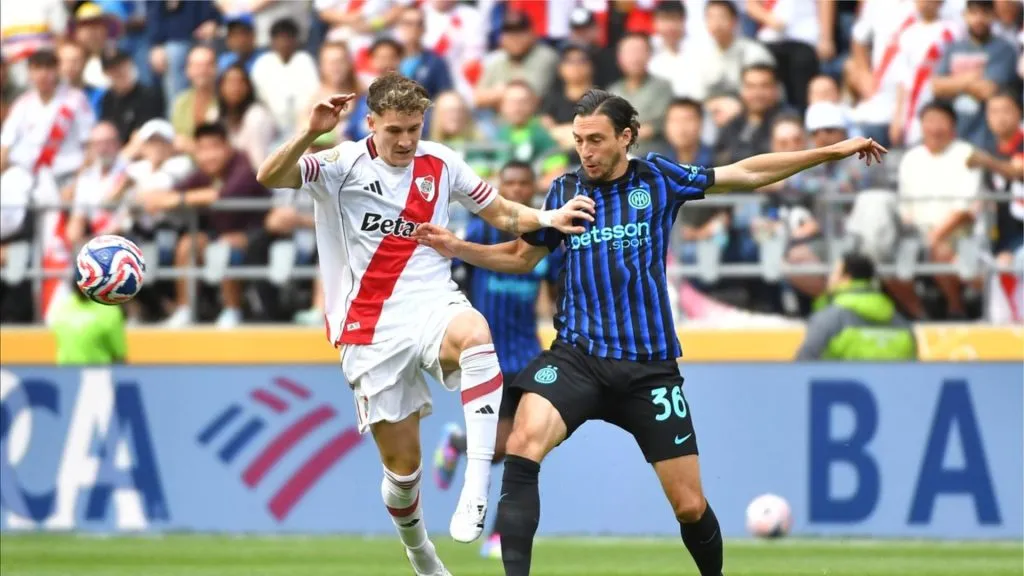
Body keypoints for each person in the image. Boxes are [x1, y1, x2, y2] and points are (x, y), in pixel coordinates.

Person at [413, 89, 886, 576]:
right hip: (577, 357)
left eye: (596, 140)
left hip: (649, 370)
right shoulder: (564, 193)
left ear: (626, 137)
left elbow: (745, 173)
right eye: (578, 140)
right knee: (523, 443)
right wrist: (457, 247)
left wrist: (830, 152)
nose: (585, 151)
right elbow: (520, 257)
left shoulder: (658, 178)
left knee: (689, 505)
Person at [255, 72, 594, 576]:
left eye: (414, 127)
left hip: (432, 302)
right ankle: (421, 554)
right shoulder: (340, 164)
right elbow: (271, 177)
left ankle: (476, 485)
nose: (406, 140)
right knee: (403, 473)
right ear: (371, 123)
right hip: (368, 328)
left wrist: (547, 219)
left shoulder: (441, 162)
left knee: (477, 336)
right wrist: (310, 132)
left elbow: (501, 212)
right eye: (394, 130)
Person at [432, 160, 563, 560]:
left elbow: (556, 289)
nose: (519, 189)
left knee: (522, 445)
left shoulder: (545, 235)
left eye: (525, 183)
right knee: (503, 446)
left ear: (532, 189)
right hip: (486, 354)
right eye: (511, 183)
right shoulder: (479, 230)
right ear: (500, 187)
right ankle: (460, 445)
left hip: (527, 353)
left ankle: (499, 528)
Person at [796, 253, 917, 360]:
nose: (829, 279)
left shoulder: (830, 318)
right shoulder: (898, 319)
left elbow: (805, 363)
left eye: (833, 273)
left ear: (846, 279)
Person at [50, 275, 126, 365]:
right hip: (68, 373)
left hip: (95, 374)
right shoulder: (61, 308)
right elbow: (119, 354)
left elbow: (119, 354)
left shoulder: (60, 308)